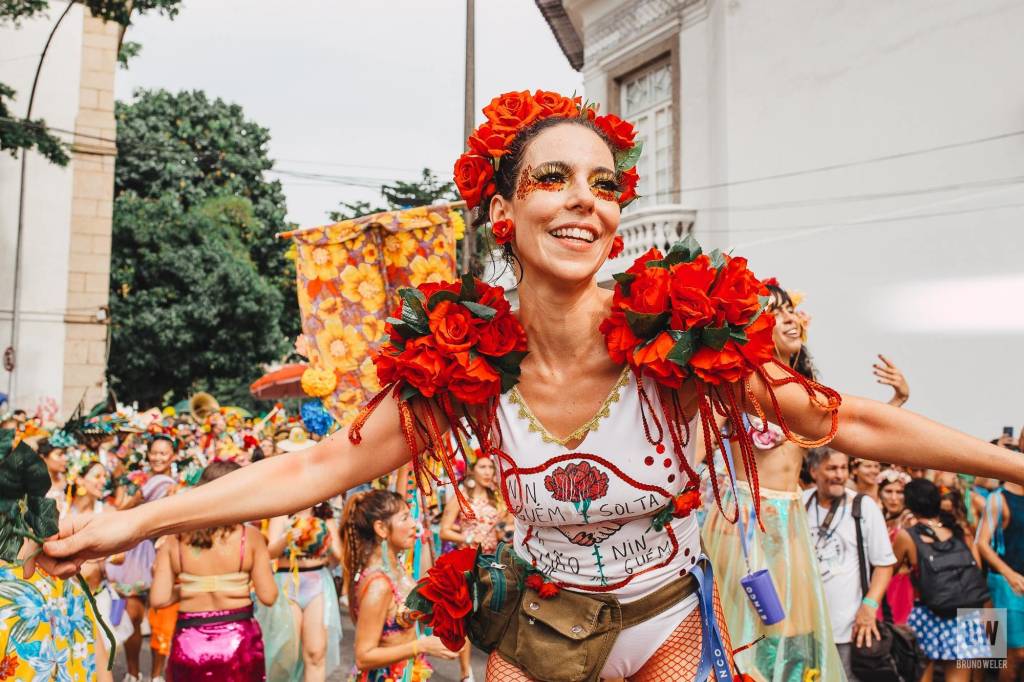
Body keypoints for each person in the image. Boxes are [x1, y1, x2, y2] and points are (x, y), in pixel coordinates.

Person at [32, 90, 1024, 682]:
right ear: (504, 209)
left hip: (665, 623)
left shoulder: (677, 340)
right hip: (535, 634)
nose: (582, 201)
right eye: (552, 179)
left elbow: (841, 418)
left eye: (601, 183)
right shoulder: (460, 367)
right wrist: (135, 521)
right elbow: (318, 467)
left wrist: (1007, 465)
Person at [704, 278, 910, 682]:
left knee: (794, 637)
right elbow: (697, 447)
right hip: (743, 520)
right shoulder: (734, 387)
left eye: (791, 310)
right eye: (776, 311)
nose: (790, 319)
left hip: (790, 521)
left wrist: (898, 402)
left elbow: (859, 441)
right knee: (741, 635)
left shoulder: (809, 396)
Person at [150, 459, 278, 680]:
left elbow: (159, 599)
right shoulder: (251, 538)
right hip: (239, 641)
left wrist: (192, 589)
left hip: (190, 640)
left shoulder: (175, 539)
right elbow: (268, 596)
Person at [341, 489, 454, 681]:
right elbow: (363, 656)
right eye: (405, 519)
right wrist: (422, 645)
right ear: (381, 529)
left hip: (407, 671)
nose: (414, 524)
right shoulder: (378, 585)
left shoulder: (396, 567)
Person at [803, 448, 895, 682]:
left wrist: (869, 606)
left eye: (843, 468)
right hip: (804, 627)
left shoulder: (863, 507)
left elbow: (884, 565)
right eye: (832, 468)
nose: (839, 475)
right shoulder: (800, 504)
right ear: (814, 471)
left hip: (846, 628)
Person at [892, 478, 992, 682]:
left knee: (921, 672)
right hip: (967, 612)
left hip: (927, 612)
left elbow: (889, 569)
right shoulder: (960, 530)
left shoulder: (907, 536)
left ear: (909, 504)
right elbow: (978, 570)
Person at [105, 434, 179, 682]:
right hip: (137, 551)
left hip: (160, 549)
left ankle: (150, 673)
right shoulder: (145, 481)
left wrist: (131, 503)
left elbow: (126, 510)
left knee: (161, 615)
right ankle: (136, 672)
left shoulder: (167, 483)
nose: (157, 457)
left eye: (163, 453)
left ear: (173, 456)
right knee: (134, 614)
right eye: (154, 452)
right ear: (147, 454)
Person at [67, 459, 135, 682]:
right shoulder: (61, 509)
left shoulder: (106, 511)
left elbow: (121, 555)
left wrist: (98, 554)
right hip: (68, 599)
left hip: (99, 598)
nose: (103, 481)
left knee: (101, 660)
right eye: (97, 476)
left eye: (104, 476)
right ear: (79, 479)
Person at [439, 454, 505, 681]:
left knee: (492, 620)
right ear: (473, 471)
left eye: (491, 468)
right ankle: (466, 673)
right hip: (467, 565)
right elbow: (444, 530)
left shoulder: (497, 499)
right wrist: (467, 538)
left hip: (493, 565)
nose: (488, 472)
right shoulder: (460, 498)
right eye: (483, 467)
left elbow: (504, 528)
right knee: (466, 618)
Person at [265, 501, 344, 682]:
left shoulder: (324, 515)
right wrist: (287, 537)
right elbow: (270, 552)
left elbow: (339, 556)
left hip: (317, 582)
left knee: (315, 652)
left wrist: (324, 537)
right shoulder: (281, 512)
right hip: (287, 582)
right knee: (286, 653)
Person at [975, 466, 1024, 682]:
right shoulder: (999, 498)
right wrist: (1009, 574)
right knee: (1014, 654)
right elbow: (982, 543)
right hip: (1007, 583)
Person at [877, 468, 914, 625]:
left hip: (904, 589)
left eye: (899, 492)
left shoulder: (910, 521)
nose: (894, 498)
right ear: (880, 493)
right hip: (881, 587)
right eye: (888, 491)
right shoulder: (878, 518)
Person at [38, 437, 69, 516]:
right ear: (43, 457)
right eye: (59, 454)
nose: (65, 458)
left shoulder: (69, 480)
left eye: (65, 454)